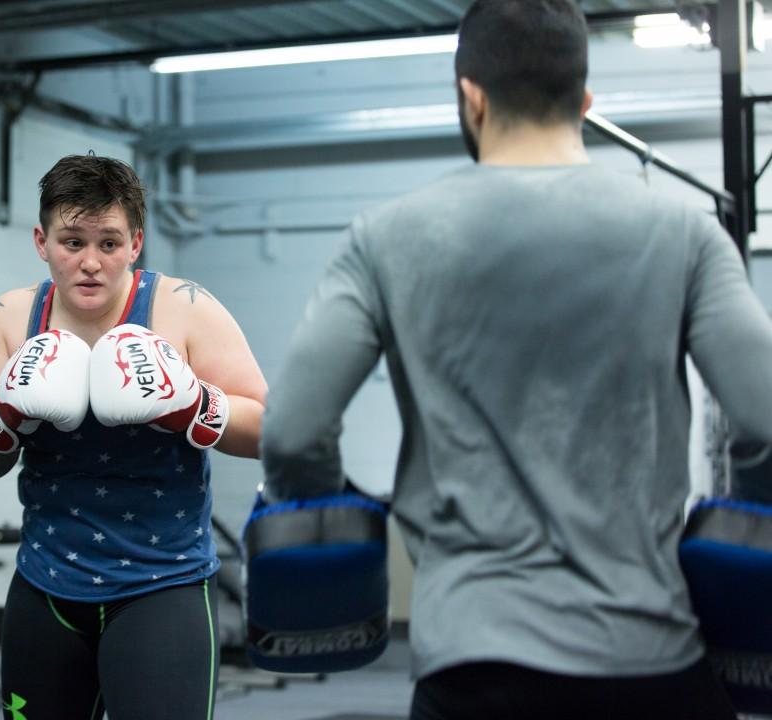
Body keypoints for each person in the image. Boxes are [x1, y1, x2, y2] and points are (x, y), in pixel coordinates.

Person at [259, 1, 772, 718]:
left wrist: (322, 518)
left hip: (474, 665)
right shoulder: (686, 233)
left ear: (471, 96)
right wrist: (743, 533)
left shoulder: (385, 237)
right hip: (652, 657)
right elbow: (765, 422)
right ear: (585, 101)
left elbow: (291, 432)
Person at [0, 153, 267, 720]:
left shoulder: (185, 310)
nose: (91, 263)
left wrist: (195, 404)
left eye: (109, 243)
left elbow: (270, 430)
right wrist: (2, 415)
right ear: (41, 241)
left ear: (136, 243)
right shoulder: (9, 317)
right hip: (45, 588)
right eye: (73, 242)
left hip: (162, 589)